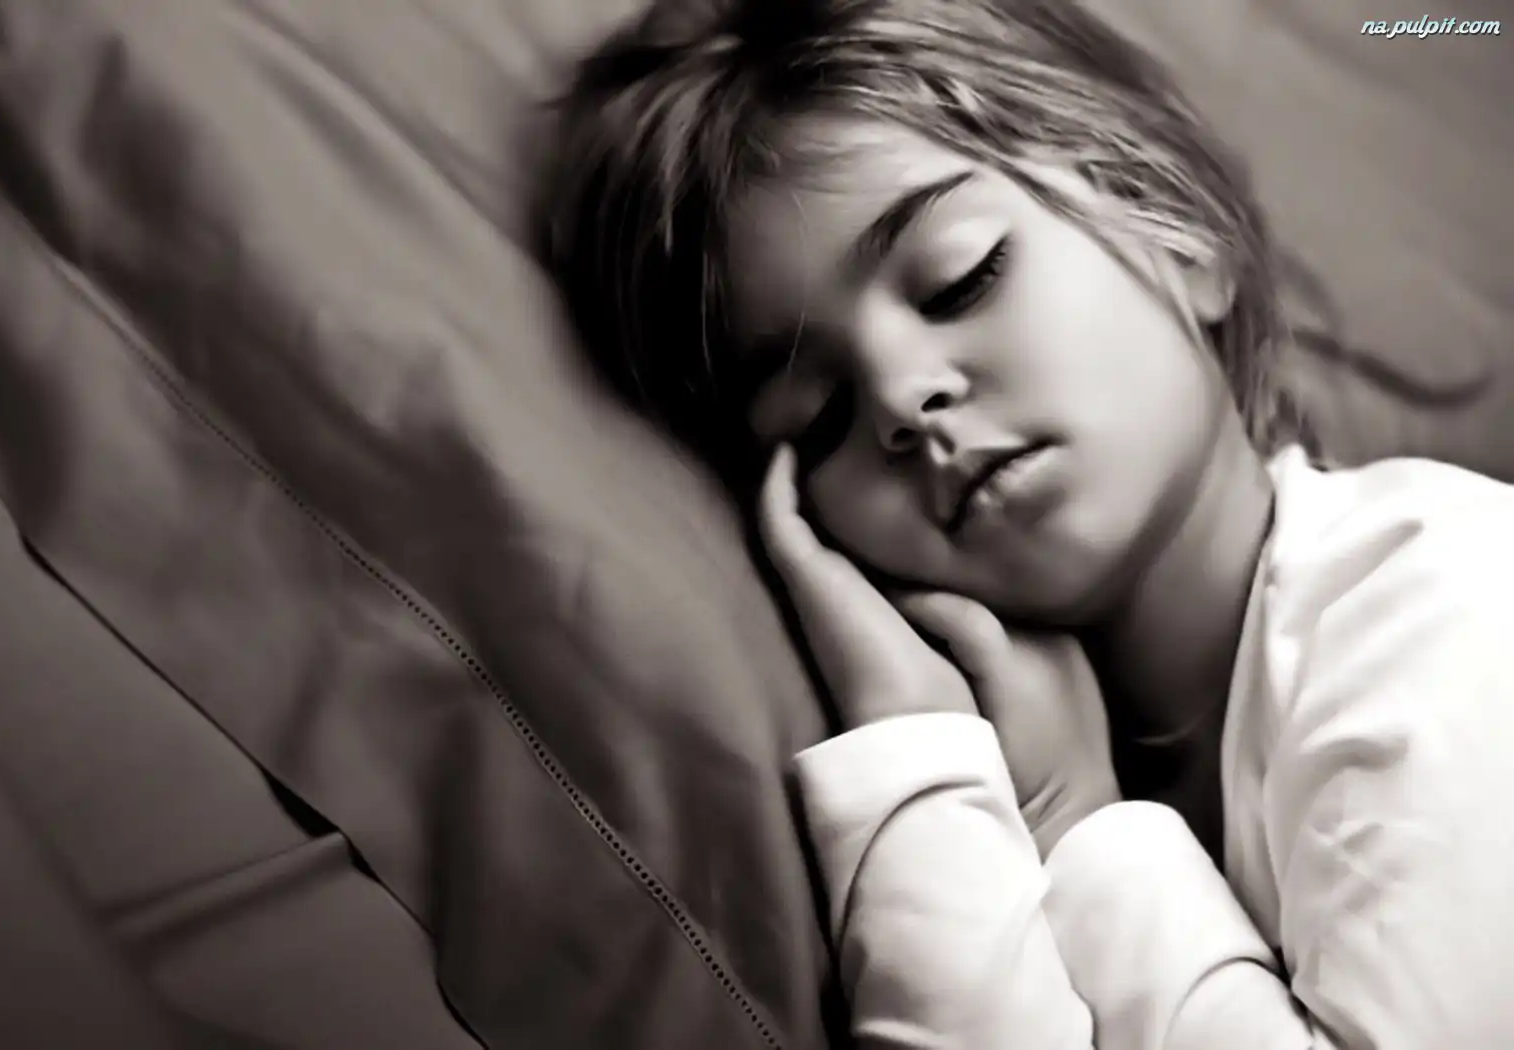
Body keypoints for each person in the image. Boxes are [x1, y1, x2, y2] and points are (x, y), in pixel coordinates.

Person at [544, 0, 1514, 1047]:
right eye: (816, 417)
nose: (903, 397)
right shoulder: (1010, 778)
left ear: (1174, 228)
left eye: (962, 279)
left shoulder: (1442, 596)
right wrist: (921, 764)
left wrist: (1075, 821)